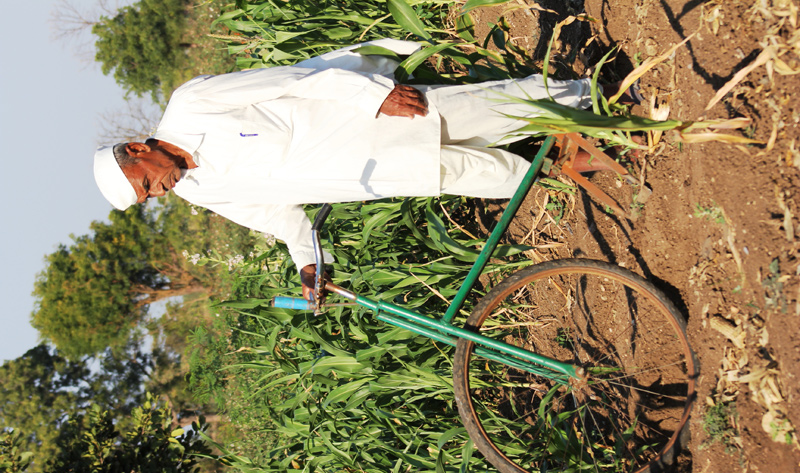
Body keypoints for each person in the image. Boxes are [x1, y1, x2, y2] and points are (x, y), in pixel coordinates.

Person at [94, 39, 627, 300]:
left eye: (146, 184)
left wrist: (373, 96)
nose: (157, 193)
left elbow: (292, 80)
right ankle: (617, 150)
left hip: (379, 117)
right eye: (148, 198)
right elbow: (279, 218)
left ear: (139, 150)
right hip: (386, 172)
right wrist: (308, 264)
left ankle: (612, 94)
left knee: (501, 107)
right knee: (508, 177)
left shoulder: (191, 104)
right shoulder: (199, 190)